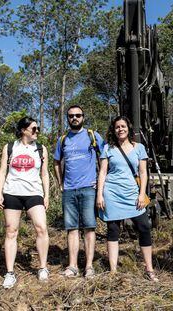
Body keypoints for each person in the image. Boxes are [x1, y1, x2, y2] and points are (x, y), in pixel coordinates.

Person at [96, 116, 158, 282]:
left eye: (123, 126)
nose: (120, 129)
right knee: (113, 230)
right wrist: (99, 194)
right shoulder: (108, 148)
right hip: (112, 193)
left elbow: (143, 173)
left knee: (144, 227)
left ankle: (149, 269)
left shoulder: (139, 148)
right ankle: (113, 271)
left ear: (128, 128)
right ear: (113, 130)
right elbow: (102, 172)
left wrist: (141, 194)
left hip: (132, 193)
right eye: (117, 127)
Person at [0, 117, 50, 289]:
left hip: (34, 193)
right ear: (23, 130)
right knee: (11, 231)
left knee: (41, 227)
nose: (37, 131)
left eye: (37, 128)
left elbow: (44, 174)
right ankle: (10, 273)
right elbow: (3, 171)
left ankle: (42, 268)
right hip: (12, 193)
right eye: (34, 129)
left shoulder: (41, 149)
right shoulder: (10, 147)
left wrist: (46, 195)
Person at [54, 105, 103, 278]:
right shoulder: (63, 139)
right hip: (69, 190)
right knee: (72, 228)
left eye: (78, 115)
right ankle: (73, 266)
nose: (74, 118)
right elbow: (56, 162)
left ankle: (89, 267)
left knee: (89, 227)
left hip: (89, 189)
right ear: (67, 118)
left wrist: (100, 183)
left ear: (83, 117)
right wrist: (61, 183)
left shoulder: (93, 136)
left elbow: (103, 159)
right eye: (71, 116)